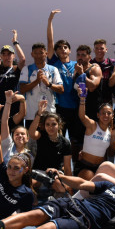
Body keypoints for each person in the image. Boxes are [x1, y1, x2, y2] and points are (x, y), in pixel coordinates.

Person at [46, 10, 82, 144]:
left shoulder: (77, 64)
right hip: (59, 107)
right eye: (59, 48)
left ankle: (74, 164)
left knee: (75, 141)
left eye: (65, 47)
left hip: (75, 108)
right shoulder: (54, 63)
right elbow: (50, 42)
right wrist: (50, 20)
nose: (62, 49)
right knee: (58, 140)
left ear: (70, 50)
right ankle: (59, 165)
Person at [19, 42, 63, 129]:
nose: (38, 55)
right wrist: (37, 81)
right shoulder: (27, 69)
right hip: (31, 114)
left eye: (41, 53)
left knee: (49, 140)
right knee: (32, 141)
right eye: (36, 53)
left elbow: (61, 89)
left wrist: (49, 84)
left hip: (49, 113)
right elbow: (22, 89)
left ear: (46, 54)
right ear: (32, 54)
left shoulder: (53, 69)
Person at [0, 27, 27, 117]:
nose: (7, 57)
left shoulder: (16, 69)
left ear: (13, 56)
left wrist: (15, 42)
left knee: (16, 130)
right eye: (4, 54)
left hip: (15, 105)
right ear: (1, 56)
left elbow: (23, 59)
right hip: (0, 105)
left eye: (9, 54)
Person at [74, 95, 114, 180]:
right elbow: (82, 116)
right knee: (90, 182)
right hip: (85, 166)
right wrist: (82, 100)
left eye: (109, 113)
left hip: (99, 167)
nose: (106, 115)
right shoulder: (92, 125)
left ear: (112, 116)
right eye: (103, 113)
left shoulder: (110, 131)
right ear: (98, 115)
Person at [89, 39, 115, 106]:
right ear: (94, 50)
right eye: (97, 48)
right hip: (92, 101)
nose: (99, 51)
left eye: (101, 48)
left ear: (106, 50)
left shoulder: (112, 63)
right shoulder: (89, 64)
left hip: (107, 101)